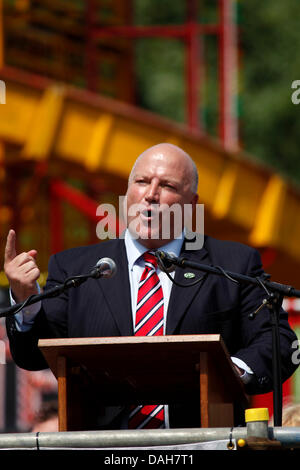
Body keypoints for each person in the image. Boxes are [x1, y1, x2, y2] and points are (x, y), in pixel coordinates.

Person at [3, 143, 299, 429]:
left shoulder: (233, 264)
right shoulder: (76, 268)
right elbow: (32, 356)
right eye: (142, 182)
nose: (151, 195)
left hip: (201, 443)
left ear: (191, 204)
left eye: (168, 186)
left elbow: (281, 343)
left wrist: (230, 371)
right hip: (105, 447)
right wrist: (26, 300)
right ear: (127, 193)